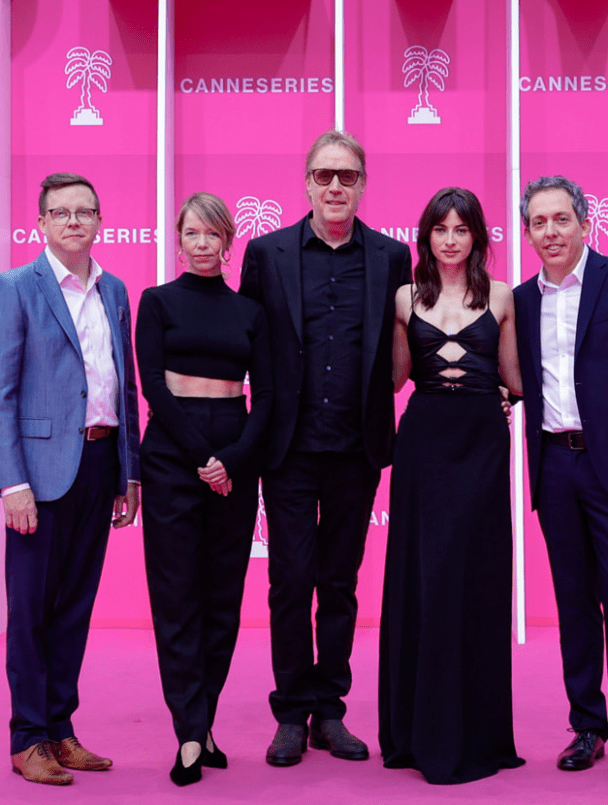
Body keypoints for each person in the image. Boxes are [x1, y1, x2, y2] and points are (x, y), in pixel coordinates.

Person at [240, 130, 412, 767]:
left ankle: (329, 711)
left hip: (356, 447)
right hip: (286, 449)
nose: (334, 186)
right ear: (306, 182)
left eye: (347, 176)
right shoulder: (266, 253)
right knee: (290, 581)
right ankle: (291, 710)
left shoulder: (394, 259)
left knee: (339, 583)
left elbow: (413, 341)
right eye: (323, 175)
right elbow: (246, 343)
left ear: (363, 183)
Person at [379, 187, 524, 784]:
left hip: (484, 448)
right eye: (440, 229)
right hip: (424, 449)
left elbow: (515, 379)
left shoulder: (503, 296)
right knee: (427, 578)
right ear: (426, 237)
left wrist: (507, 397)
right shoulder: (404, 297)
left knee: (478, 581)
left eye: (461, 229)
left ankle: (479, 731)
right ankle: (419, 730)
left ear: (478, 238)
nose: (450, 239)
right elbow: (393, 380)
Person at [0, 173, 140, 785]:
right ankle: (27, 735)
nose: (74, 221)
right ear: (42, 224)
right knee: (30, 608)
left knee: (76, 607)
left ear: (100, 221)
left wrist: (127, 474)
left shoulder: (115, 291)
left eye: (85, 211)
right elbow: (1, 395)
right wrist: (12, 483)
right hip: (38, 473)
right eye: (61, 212)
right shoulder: (15, 288)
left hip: (100, 462)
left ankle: (60, 728)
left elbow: (122, 387)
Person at [136, 192, 272, 786]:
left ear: (226, 241)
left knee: (222, 599)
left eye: (211, 234)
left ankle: (203, 719)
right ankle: (190, 732)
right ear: (178, 238)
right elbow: (154, 389)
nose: (200, 243)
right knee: (176, 598)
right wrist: (202, 457)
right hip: (172, 454)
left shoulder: (250, 311)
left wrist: (233, 459)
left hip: (235, 459)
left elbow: (266, 395)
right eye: (190, 233)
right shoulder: (157, 302)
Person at [514, 175, 608, 786]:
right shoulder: (520, 298)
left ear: (585, 223)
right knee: (573, 601)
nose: (551, 232)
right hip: (554, 464)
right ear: (528, 233)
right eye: (539, 223)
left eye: (561, 219)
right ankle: (589, 725)